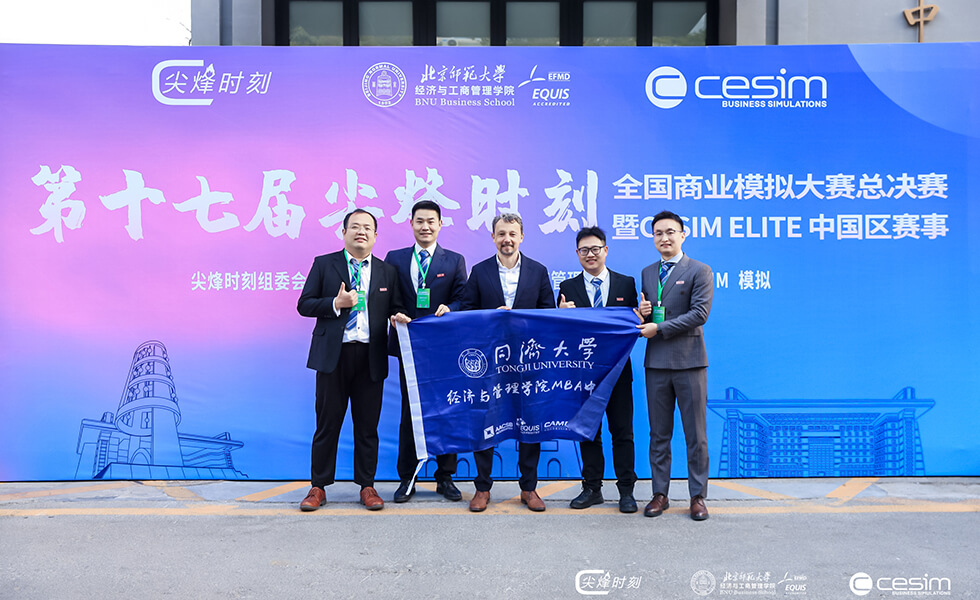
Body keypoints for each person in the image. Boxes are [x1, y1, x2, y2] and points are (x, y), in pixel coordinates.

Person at [296, 209, 410, 512]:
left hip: (370, 357)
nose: (361, 232)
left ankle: (367, 486)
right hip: (333, 356)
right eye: (355, 227)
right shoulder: (325, 264)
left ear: (375, 236)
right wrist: (336, 302)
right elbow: (304, 304)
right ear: (344, 232)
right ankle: (318, 487)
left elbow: (395, 306)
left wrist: (397, 316)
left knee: (367, 427)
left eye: (367, 228)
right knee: (327, 424)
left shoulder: (387, 271)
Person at [461, 213, 556, 512]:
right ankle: (482, 488)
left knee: (530, 423)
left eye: (513, 234)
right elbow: (467, 312)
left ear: (522, 237)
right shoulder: (480, 271)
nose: (507, 239)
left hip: (528, 361)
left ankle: (529, 488)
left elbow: (548, 314)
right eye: (501, 234)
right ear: (493, 237)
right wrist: (493, 317)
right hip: (490, 361)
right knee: (485, 421)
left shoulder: (538, 271)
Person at [384, 200, 468, 503]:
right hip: (409, 346)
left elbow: (463, 298)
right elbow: (387, 296)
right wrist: (395, 312)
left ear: (440, 224)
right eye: (420, 221)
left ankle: (445, 477)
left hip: (443, 348)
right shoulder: (394, 258)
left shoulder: (454, 260)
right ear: (411, 223)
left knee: (447, 409)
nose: (425, 226)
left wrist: (451, 308)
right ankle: (408, 477)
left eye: (431, 221)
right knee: (411, 411)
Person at [635, 210, 713, 521]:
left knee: (696, 435)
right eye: (658, 233)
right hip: (656, 362)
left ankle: (698, 496)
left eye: (670, 232)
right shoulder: (647, 272)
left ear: (683, 235)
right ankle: (660, 494)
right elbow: (652, 312)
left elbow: (699, 314)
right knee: (659, 434)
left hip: (689, 362)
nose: (664, 238)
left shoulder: (700, 270)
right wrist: (643, 312)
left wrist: (660, 328)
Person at [557, 226, 639, 513]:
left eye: (595, 249)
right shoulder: (567, 287)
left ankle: (626, 491)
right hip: (583, 373)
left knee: (623, 432)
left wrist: (642, 316)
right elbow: (561, 333)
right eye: (584, 250)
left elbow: (634, 325)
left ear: (605, 250)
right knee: (588, 432)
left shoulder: (626, 284)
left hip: (618, 372)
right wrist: (561, 316)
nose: (590, 254)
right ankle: (592, 488)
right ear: (577, 253)